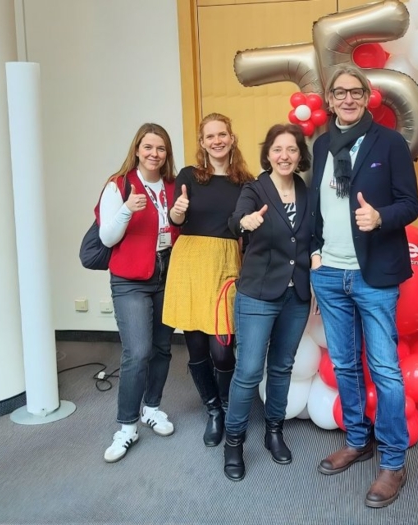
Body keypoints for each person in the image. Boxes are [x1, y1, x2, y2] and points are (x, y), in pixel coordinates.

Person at [310, 65, 418, 508]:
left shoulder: (389, 142)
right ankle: (358, 440)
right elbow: (314, 205)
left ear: (368, 96)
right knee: (344, 363)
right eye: (341, 93)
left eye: (356, 92)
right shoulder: (320, 147)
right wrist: (315, 252)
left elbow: (410, 204)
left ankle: (393, 462)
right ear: (330, 99)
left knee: (385, 370)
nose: (349, 99)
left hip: (374, 274)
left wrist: (380, 218)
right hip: (330, 273)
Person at [221, 124, 313, 482]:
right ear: (268, 154)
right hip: (258, 294)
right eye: (278, 149)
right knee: (247, 373)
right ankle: (234, 443)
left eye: (291, 149)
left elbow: (311, 237)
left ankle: (274, 431)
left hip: (296, 295)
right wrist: (245, 221)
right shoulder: (254, 188)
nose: (285, 155)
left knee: (282, 368)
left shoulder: (305, 191)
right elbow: (236, 221)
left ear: (299, 155)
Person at [163, 113, 254, 447]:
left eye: (222, 134)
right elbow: (175, 217)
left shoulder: (246, 181)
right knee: (197, 346)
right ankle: (214, 410)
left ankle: (229, 405)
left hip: (226, 263)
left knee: (222, 349)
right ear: (202, 143)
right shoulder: (189, 175)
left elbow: (248, 227)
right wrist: (179, 210)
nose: (216, 141)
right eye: (209, 136)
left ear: (232, 138)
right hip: (189, 262)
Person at [97, 123, 179, 463]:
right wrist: (128, 208)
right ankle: (127, 425)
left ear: (166, 153)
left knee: (162, 347)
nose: (154, 154)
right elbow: (106, 238)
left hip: (167, 273)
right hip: (130, 279)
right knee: (138, 351)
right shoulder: (118, 185)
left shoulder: (174, 186)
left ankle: (152, 408)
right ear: (137, 149)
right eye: (148, 147)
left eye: (160, 148)